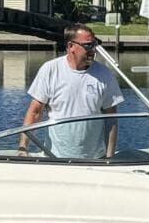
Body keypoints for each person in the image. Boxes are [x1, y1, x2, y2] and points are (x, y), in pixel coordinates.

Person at [20, 25, 123, 158]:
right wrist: (23, 148)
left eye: (94, 45)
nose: (92, 50)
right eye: (87, 46)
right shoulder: (50, 70)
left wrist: (109, 158)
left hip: (94, 158)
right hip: (54, 157)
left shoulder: (105, 74)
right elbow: (35, 112)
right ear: (70, 46)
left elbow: (111, 119)